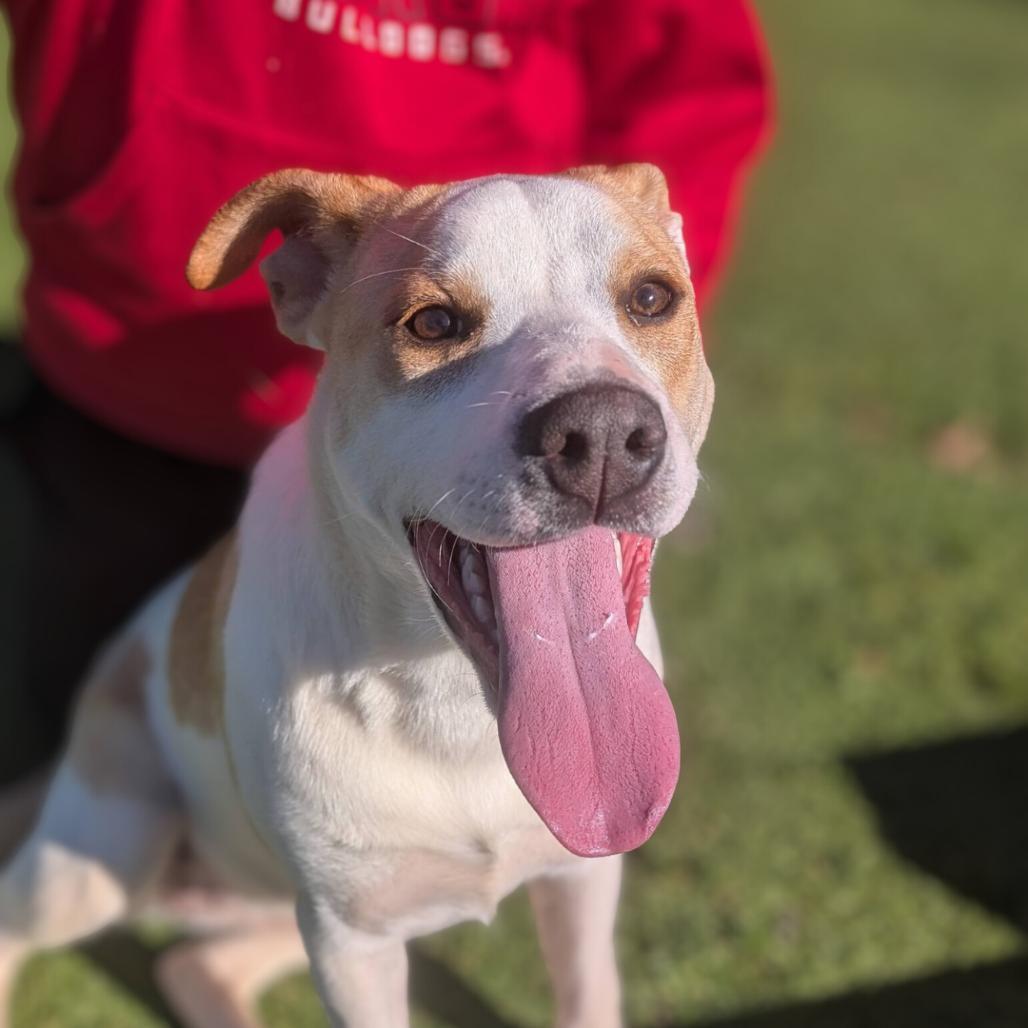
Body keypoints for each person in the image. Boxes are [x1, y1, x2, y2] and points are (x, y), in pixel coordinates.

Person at [0, 0, 771, 777]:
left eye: (648, 301)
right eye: (437, 321)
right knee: (87, 770)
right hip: (128, 395)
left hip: (494, 431)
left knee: (468, 758)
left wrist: (621, 333)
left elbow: (686, 72)